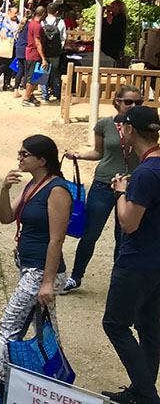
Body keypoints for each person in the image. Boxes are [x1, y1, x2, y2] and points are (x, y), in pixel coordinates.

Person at [0, 134, 71, 374]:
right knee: (47, 329)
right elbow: (6, 217)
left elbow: (56, 239)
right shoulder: (33, 185)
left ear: (42, 160)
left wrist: (47, 282)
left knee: (9, 327)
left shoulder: (56, 189)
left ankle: (3, 382)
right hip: (30, 266)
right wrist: (5, 189)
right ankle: (55, 376)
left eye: (24, 154)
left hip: (41, 270)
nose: (19, 158)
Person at [103, 106, 160, 403]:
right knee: (149, 329)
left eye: (122, 127)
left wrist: (120, 192)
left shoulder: (145, 173)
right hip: (157, 261)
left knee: (115, 324)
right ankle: (141, 391)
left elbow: (129, 222)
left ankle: (149, 396)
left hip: (137, 262)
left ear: (130, 130)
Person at [61, 85, 143, 294]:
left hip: (132, 185)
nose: (133, 106)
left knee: (124, 235)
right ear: (117, 102)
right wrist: (78, 156)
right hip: (104, 184)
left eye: (138, 103)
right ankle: (76, 276)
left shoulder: (142, 126)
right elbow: (98, 152)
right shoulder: (104, 125)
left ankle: (120, 281)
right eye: (129, 102)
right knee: (90, 234)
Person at [39, 2, 66, 102]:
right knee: (55, 74)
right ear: (57, 12)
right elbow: (63, 37)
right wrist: (60, 49)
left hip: (44, 52)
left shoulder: (42, 22)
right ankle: (57, 93)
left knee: (43, 73)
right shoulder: (61, 22)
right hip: (55, 53)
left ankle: (45, 95)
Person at [22, 6, 48, 107]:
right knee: (32, 78)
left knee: (34, 78)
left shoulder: (32, 23)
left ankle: (30, 95)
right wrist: (43, 58)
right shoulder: (37, 26)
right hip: (34, 54)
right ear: (42, 14)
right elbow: (38, 43)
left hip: (30, 53)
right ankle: (26, 98)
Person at [0, 5, 20, 92]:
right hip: (3, 44)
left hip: (13, 45)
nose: (15, 15)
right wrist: (1, 34)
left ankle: (6, 84)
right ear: (9, 12)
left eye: (16, 13)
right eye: (14, 13)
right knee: (3, 65)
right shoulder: (2, 19)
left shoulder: (18, 21)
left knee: (10, 65)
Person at [102, 0, 128, 64]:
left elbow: (110, 22)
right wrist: (102, 12)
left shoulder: (120, 17)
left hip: (114, 44)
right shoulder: (112, 16)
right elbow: (102, 21)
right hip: (106, 42)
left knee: (112, 60)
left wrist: (108, 11)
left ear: (119, 7)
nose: (111, 8)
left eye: (113, 6)